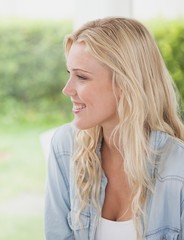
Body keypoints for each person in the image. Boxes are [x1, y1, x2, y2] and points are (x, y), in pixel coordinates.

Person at [44, 17, 184, 240]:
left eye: (81, 76)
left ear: (125, 83)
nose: (67, 89)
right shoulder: (65, 147)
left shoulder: (178, 166)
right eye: (68, 74)